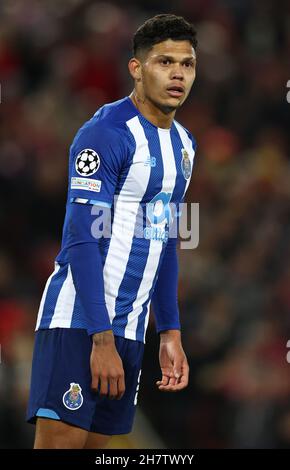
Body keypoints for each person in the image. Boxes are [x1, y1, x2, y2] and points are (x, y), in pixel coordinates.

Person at [27, 13, 198, 449]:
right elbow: (81, 238)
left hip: (130, 333)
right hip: (79, 326)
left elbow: (164, 242)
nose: (178, 73)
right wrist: (98, 338)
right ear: (136, 69)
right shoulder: (104, 134)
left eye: (187, 63)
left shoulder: (184, 146)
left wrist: (170, 334)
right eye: (164, 62)